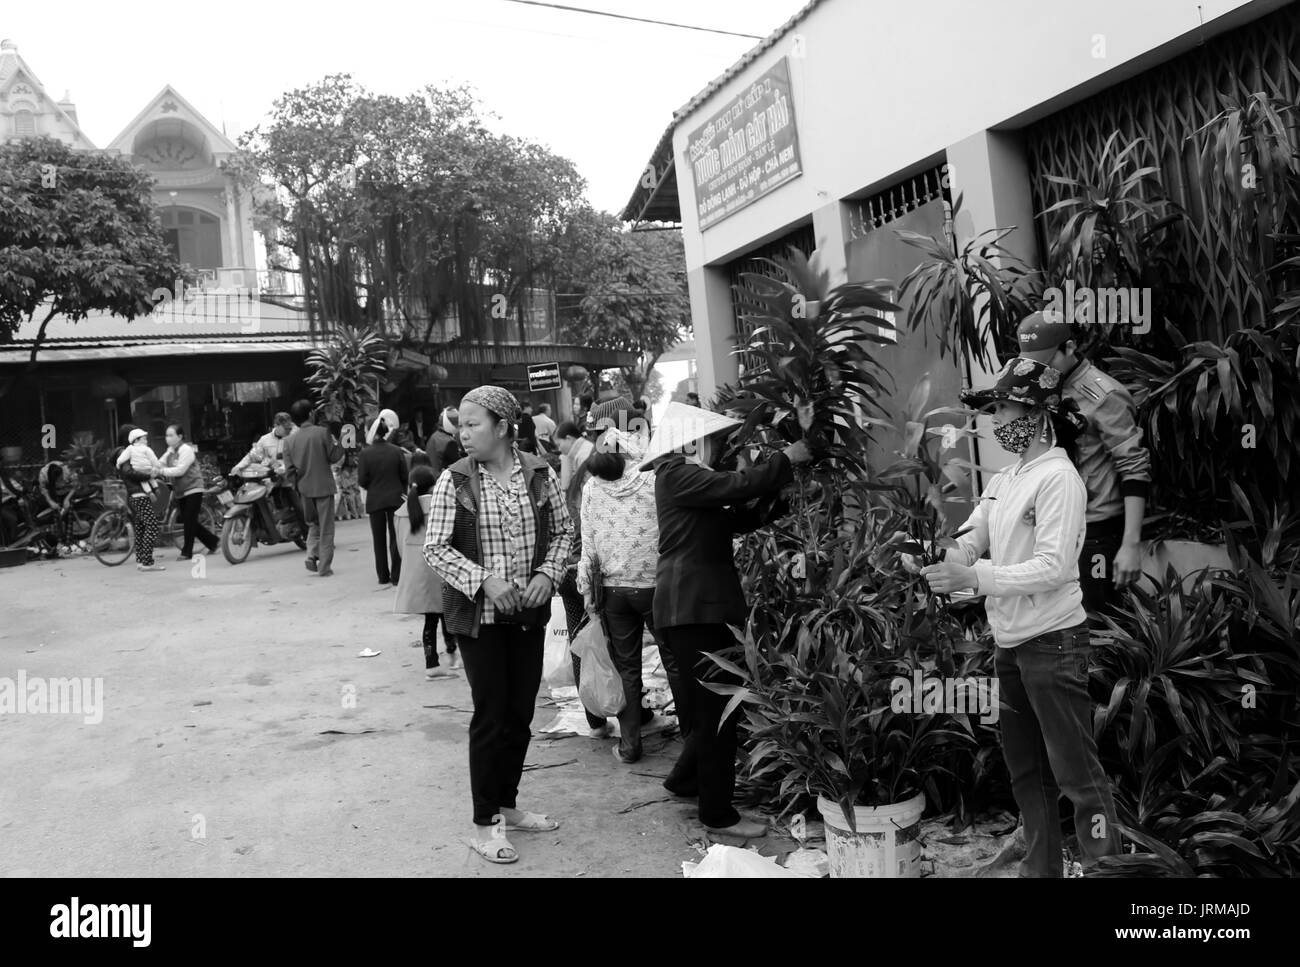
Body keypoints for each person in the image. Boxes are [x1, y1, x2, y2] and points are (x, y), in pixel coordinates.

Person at [911, 355, 1118, 877]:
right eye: (996, 408)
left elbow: (1054, 566)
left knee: (1077, 774)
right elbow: (973, 538)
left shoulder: (1059, 480)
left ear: (1039, 413)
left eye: (1005, 407)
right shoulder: (1006, 478)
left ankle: (1109, 871)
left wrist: (975, 578)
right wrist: (944, 558)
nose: (997, 419)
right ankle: (1040, 868)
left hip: (1053, 643)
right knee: (1027, 772)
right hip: (1010, 643)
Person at [642, 401, 812, 837]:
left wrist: (780, 493)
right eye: (716, 442)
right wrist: (785, 459)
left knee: (711, 705)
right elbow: (736, 485)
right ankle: (717, 814)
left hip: (697, 607)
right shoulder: (679, 473)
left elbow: (740, 516)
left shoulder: (690, 482)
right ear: (694, 441)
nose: (720, 450)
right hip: (694, 608)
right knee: (719, 708)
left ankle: (684, 780)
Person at [423, 385, 574, 865]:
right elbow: (435, 547)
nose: (463, 434)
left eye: (473, 424)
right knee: (491, 716)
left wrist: (547, 574)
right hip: (481, 620)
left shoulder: (538, 472)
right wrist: (484, 580)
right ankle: (485, 822)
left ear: (504, 427)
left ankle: (508, 803)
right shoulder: (456, 479)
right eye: (460, 425)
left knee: (520, 714)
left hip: (528, 614)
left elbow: (565, 531)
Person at [1016, 311, 1151, 618]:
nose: (1040, 369)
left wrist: (1130, 545)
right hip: (1054, 524)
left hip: (1097, 532)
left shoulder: (1106, 395)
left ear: (1070, 347)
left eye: (1047, 360)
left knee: (1101, 626)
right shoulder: (1041, 388)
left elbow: (1134, 468)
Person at [577, 398, 683, 762]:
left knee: (627, 668)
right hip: (656, 586)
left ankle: (629, 745)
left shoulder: (592, 488)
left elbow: (587, 548)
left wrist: (588, 596)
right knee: (674, 662)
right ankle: (693, 743)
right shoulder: (655, 477)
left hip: (614, 591)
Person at [395, 466, 458, 678]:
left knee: (429, 619)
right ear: (434, 484)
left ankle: (431, 663)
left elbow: (399, 547)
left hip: (417, 572)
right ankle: (453, 654)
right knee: (448, 615)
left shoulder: (402, 512)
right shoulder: (440, 505)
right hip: (441, 568)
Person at [283, 400, 344, 578]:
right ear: (311, 414)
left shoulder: (289, 441)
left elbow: (289, 471)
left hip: (304, 490)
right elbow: (334, 457)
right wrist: (346, 440)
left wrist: (298, 487)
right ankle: (324, 567)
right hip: (323, 488)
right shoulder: (322, 432)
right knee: (326, 528)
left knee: (313, 524)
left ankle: (311, 555)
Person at [358, 411, 409, 588]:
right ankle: (397, 575)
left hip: (375, 501)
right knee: (395, 538)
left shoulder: (365, 454)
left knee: (378, 540)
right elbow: (404, 476)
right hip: (396, 499)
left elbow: (362, 480)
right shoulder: (396, 451)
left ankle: (382, 575)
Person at [157, 424, 218, 561]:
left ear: (180, 437)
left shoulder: (186, 450)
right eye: (167, 435)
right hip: (180, 490)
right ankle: (213, 542)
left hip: (193, 488)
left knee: (189, 521)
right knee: (189, 521)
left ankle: (187, 552)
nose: (168, 438)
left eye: (171, 435)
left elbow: (180, 470)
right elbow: (159, 463)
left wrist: (161, 471)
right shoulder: (170, 452)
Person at [115, 427, 165, 572]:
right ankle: (147, 562)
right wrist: (150, 476)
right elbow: (132, 474)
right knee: (152, 525)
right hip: (139, 494)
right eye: (143, 437)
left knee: (141, 527)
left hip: (136, 494)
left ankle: (140, 560)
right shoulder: (129, 455)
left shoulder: (129, 453)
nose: (146, 440)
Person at [231, 412, 293, 476]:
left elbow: (298, 461)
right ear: (276, 425)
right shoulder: (265, 439)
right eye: (285, 428)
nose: (288, 430)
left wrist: (281, 467)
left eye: (290, 428)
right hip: (271, 479)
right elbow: (251, 456)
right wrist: (238, 466)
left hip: (290, 479)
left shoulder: (294, 439)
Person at [555, 421, 592, 493]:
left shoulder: (583, 455)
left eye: (559, 444)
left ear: (569, 438)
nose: (559, 449)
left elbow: (565, 485)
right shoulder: (580, 450)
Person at [426, 407, 464, 476]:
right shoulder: (449, 442)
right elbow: (459, 464)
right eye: (455, 423)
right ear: (448, 423)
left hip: (432, 476)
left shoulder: (434, 436)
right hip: (442, 476)